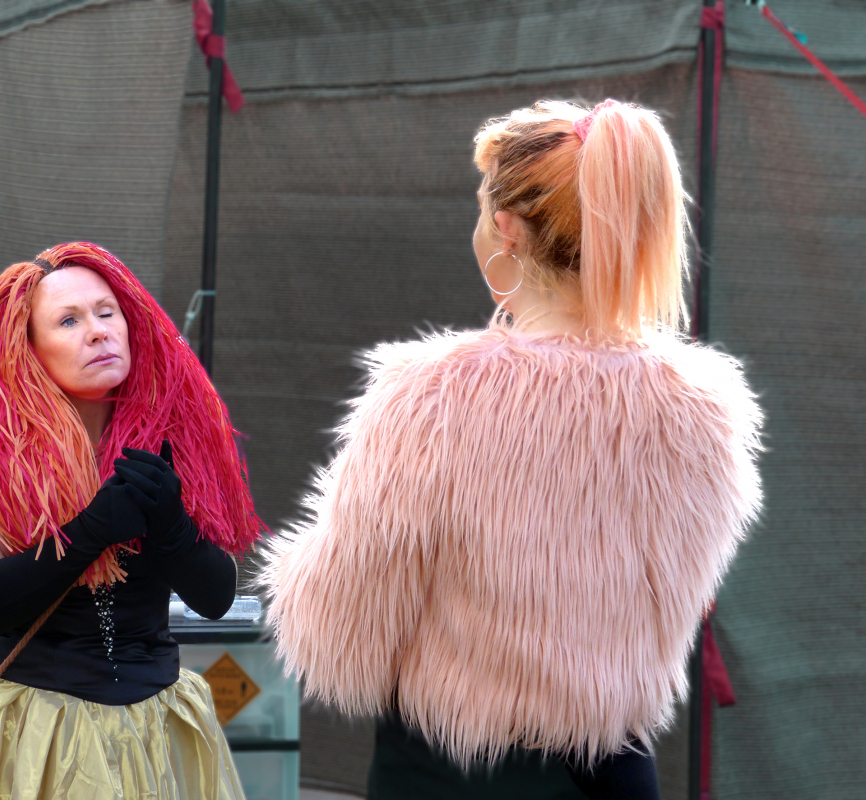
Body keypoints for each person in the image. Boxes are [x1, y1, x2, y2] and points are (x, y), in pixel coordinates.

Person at [259, 100, 763, 799]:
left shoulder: (434, 397)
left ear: (506, 229)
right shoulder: (703, 409)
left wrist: (287, 579)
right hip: (615, 770)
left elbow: (341, 628)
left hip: (457, 770)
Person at [0, 242, 264, 799]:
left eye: (106, 312)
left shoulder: (178, 446)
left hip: (157, 729)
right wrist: (91, 529)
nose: (97, 332)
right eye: (68, 321)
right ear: (28, 350)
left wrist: (171, 526)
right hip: (36, 735)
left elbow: (216, 597)